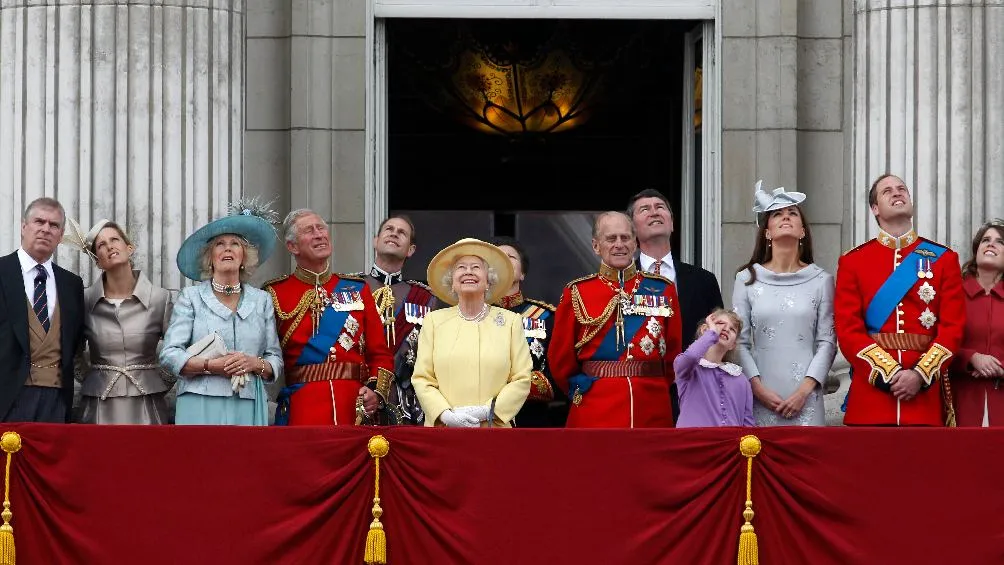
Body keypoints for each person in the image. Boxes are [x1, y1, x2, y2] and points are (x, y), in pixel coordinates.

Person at [835, 174, 965, 426]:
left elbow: (953, 328)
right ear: (875, 208)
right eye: (887, 191)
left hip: (923, 400)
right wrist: (889, 373)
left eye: (902, 189)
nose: (897, 193)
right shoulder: (853, 261)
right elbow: (848, 330)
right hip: (871, 400)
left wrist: (919, 375)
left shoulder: (945, 259)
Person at [549, 212, 683, 428]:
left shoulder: (663, 289)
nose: (619, 244)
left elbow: (673, 353)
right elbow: (561, 360)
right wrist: (584, 387)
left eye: (625, 238)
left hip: (651, 406)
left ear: (635, 243)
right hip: (595, 408)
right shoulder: (578, 292)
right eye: (611, 239)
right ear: (596, 245)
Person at [264, 209, 394, 426]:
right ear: (292, 246)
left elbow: (380, 352)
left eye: (321, 228)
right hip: (302, 408)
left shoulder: (357, 288)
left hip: (354, 408)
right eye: (309, 230)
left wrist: (375, 392)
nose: (319, 234)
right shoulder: (275, 293)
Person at [160, 200, 284, 425]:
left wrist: (253, 363)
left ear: (244, 257)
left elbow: (274, 358)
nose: (227, 248)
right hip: (199, 400)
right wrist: (210, 366)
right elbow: (169, 355)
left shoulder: (262, 300)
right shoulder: (191, 298)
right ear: (210, 257)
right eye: (219, 244)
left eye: (235, 243)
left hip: (248, 400)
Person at [732, 181, 836, 426]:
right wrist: (758, 389)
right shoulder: (746, 278)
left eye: (792, 213)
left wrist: (804, 392)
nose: (785, 217)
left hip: (807, 395)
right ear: (766, 231)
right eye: (777, 214)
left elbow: (827, 341)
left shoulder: (822, 280)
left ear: (803, 231)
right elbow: (740, 341)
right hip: (760, 392)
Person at [62, 219, 174, 424]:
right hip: (99, 404)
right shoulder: (84, 300)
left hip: (147, 403)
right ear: (97, 260)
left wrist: (156, 382)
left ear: (129, 248)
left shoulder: (160, 298)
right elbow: (74, 352)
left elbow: (177, 349)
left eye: (114, 239)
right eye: (101, 245)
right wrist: (95, 380)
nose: (109, 246)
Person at [412, 238, 531, 427]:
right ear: (452, 282)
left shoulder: (510, 322)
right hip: (445, 431)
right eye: (461, 267)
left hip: (494, 430)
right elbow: (422, 378)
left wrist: (488, 411)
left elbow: (522, 378)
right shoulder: (433, 322)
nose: (468, 271)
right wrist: (445, 414)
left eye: (476, 267)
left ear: (488, 281)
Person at [627, 188, 723, 422]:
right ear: (633, 229)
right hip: (640, 390)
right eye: (644, 209)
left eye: (660, 207)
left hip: (696, 388)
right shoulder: (622, 281)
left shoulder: (703, 280)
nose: (653, 212)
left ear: (672, 224)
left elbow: (718, 334)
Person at [0, 197, 85, 423]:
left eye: (54, 225)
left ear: (61, 234)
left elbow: (76, 342)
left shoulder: (72, 284)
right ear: (23, 226)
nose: (46, 229)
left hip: (57, 399)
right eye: (39, 221)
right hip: (6, 396)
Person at [355, 215, 439, 425]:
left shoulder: (426, 297)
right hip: (358, 394)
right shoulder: (351, 286)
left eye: (402, 232)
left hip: (405, 404)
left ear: (410, 250)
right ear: (375, 241)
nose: (394, 233)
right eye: (389, 229)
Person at [491, 236, 564, 427]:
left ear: (522, 273)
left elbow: (559, 373)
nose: (504, 260)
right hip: (482, 418)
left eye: (511, 257)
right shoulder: (472, 314)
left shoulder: (546, 316)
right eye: (498, 257)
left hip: (531, 419)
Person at [951, 219, 1004, 426]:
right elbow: (934, 343)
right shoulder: (953, 293)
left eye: (1000, 242)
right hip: (961, 401)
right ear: (977, 249)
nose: (991, 244)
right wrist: (971, 357)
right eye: (986, 240)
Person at [673, 309, 754, 428]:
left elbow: (748, 423)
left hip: (729, 444)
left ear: (733, 345)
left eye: (732, 329)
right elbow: (690, 356)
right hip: (694, 442)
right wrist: (711, 334)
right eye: (720, 323)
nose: (726, 329)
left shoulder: (741, 380)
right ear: (705, 330)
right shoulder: (689, 368)